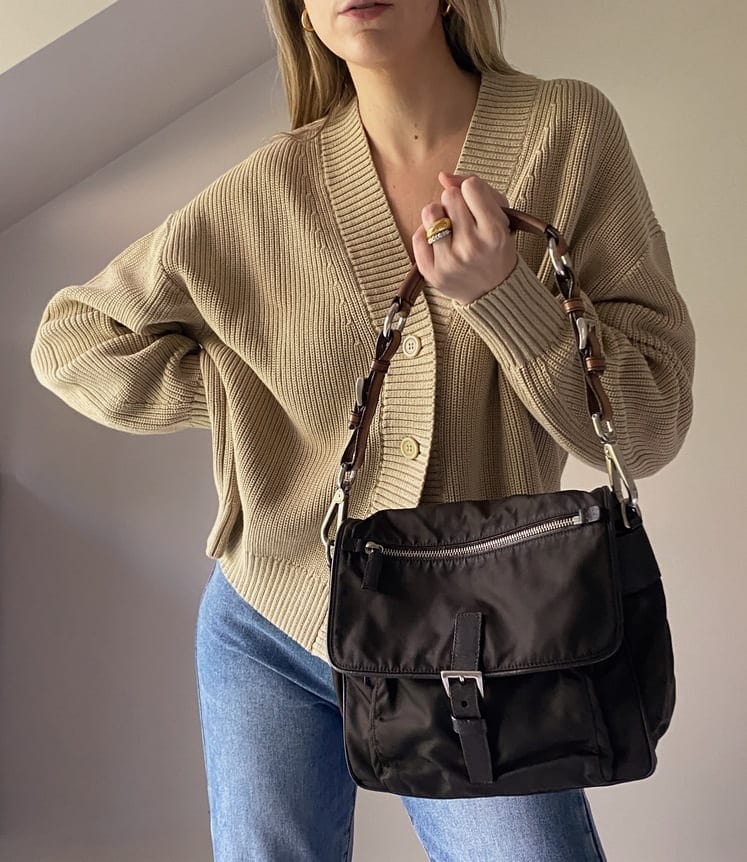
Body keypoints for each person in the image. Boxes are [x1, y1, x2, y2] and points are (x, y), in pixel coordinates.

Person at [29, 1, 696, 859]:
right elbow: (74, 339)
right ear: (301, 13)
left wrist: (506, 296)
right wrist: (247, 392)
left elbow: (647, 424)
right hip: (272, 620)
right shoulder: (270, 189)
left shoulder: (563, 131)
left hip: (478, 639)